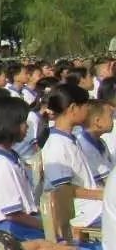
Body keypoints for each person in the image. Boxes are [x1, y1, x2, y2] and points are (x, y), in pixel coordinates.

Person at [41, 83, 104, 229]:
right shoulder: (57, 144)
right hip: (83, 214)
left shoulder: (69, 139)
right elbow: (63, 190)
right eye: (85, 105)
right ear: (73, 108)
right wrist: (101, 195)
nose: (88, 110)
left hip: (92, 208)